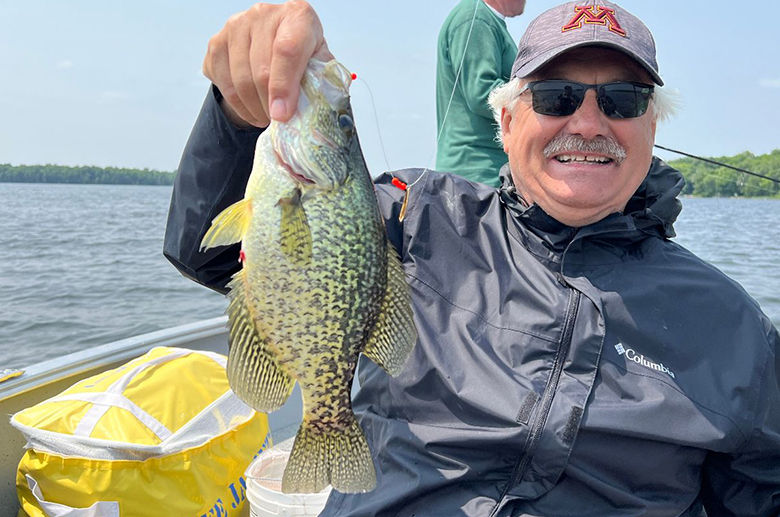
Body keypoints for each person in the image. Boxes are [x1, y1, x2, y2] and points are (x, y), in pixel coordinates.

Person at [164, 1, 780, 515]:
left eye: (622, 100)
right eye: (556, 96)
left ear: (652, 125)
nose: (589, 122)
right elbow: (210, 256)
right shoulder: (413, 216)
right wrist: (237, 113)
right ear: (506, 122)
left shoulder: (733, 325)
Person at [435, 0, 525, 187]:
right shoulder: (475, 18)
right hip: (479, 176)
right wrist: (539, 96)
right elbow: (481, 93)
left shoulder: (483, 19)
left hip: (482, 174)